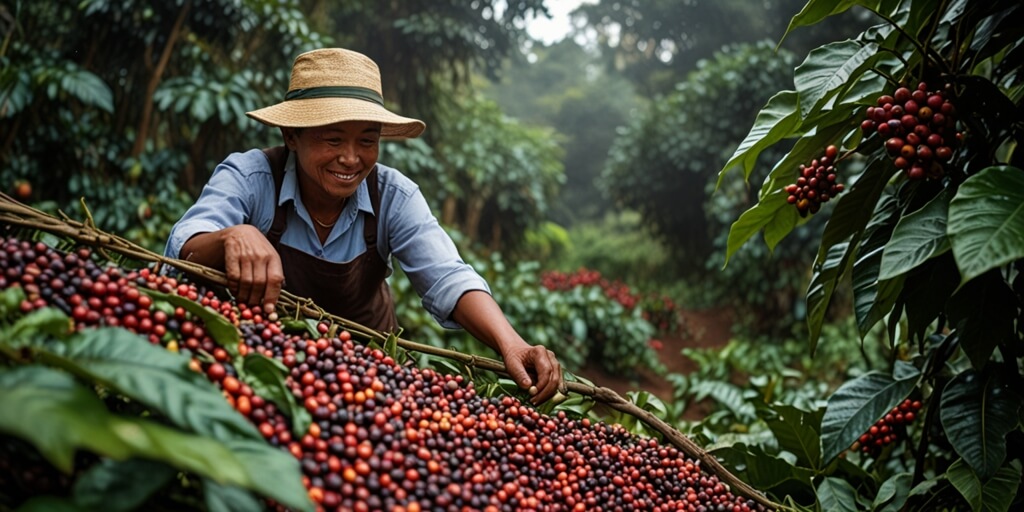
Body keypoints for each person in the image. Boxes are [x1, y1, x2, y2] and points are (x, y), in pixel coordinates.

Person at [164, 48, 562, 403]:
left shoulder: (394, 196)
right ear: (291, 136)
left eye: (367, 141)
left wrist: (512, 344)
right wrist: (235, 236)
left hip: (368, 380)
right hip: (262, 369)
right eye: (333, 140)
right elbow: (185, 246)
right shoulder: (251, 177)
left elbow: (447, 277)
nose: (351, 159)